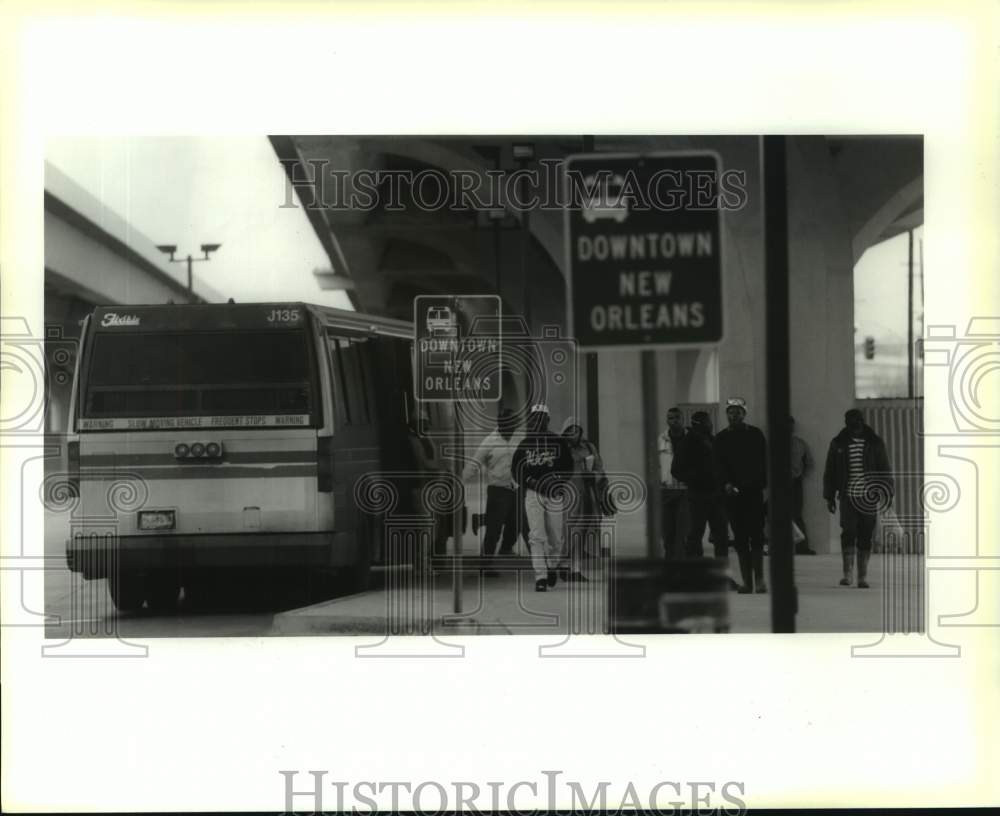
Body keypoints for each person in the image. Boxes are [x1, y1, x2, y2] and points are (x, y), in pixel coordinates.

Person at [823, 408, 893, 588]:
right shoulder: (838, 443)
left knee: (865, 534)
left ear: (863, 421)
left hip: (868, 497)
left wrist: (887, 493)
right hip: (847, 497)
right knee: (848, 531)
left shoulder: (875, 442)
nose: (857, 422)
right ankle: (848, 574)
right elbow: (829, 471)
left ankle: (862, 576)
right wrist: (829, 496)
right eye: (853, 420)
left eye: (859, 419)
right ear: (846, 422)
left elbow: (884, 468)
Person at [511, 404, 573, 592]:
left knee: (555, 537)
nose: (537, 421)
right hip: (533, 493)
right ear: (530, 420)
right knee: (536, 535)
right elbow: (516, 470)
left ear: (547, 420)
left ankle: (552, 566)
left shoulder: (558, 442)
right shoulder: (525, 444)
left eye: (541, 418)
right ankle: (540, 576)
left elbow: (568, 466)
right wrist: (531, 482)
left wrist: (557, 481)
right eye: (534, 418)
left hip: (554, 493)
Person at [714, 397, 768, 594]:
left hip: (754, 492)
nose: (733, 415)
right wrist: (725, 484)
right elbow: (718, 466)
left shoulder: (755, 435)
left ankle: (760, 580)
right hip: (733, 494)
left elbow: (764, 462)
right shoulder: (720, 438)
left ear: (744, 414)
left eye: (737, 411)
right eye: (730, 411)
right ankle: (747, 582)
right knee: (740, 539)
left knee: (757, 536)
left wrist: (765, 487)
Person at [464, 408, 522, 576]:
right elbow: (475, 463)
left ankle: (505, 547)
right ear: (500, 424)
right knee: (494, 529)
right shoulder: (489, 441)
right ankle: (485, 564)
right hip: (498, 490)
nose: (511, 428)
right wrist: (461, 480)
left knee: (518, 521)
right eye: (507, 425)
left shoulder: (519, 439)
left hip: (517, 488)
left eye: (513, 424)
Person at [672, 411, 729, 563]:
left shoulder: (712, 439)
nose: (710, 424)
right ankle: (695, 571)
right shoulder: (688, 442)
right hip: (698, 494)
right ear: (701, 423)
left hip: (716, 494)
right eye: (708, 421)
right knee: (696, 533)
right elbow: (676, 469)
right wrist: (696, 479)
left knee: (721, 534)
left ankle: (721, 572)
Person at [559, 416, 608, 582]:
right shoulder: (560, 447)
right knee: (569, 531)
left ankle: (576, 569)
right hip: (568, 494)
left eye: (576, 430)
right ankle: (563, 566)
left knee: (584, 531)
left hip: (588, 492)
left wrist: (593, 475)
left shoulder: (588, 447)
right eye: (569, 430)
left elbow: (600, 468)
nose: (573, 434)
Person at [406, 409, 450, 566]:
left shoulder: (424, 437)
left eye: (426, 423)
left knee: (433, 526)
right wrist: (441, 468)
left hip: (431, 486)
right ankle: (422, 561)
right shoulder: (412, 440)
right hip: (420, 487)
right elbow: (424, 462)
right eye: (422, 423)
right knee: (426, 526)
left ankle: (427, 559)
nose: (426, 426)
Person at [657, 407, 690, 559]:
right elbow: (655, 465)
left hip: (686, 490)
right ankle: (669, 568)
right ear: (667, 420)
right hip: (667, 490)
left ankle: (681, 569)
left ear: (683, 419)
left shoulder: (691, 438)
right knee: (668, 533)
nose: (674, 421)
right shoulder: (661, 439)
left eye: (677, 417)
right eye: (671, 418)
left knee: (682, 533)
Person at [790, 416, 817, 555]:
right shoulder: (773, 444)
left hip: (795, 483)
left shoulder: (800, 444)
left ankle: (801, 547)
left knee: (797, 514)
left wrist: (800, 475)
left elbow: (809, 462)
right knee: (776, 515)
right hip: (778, 484)